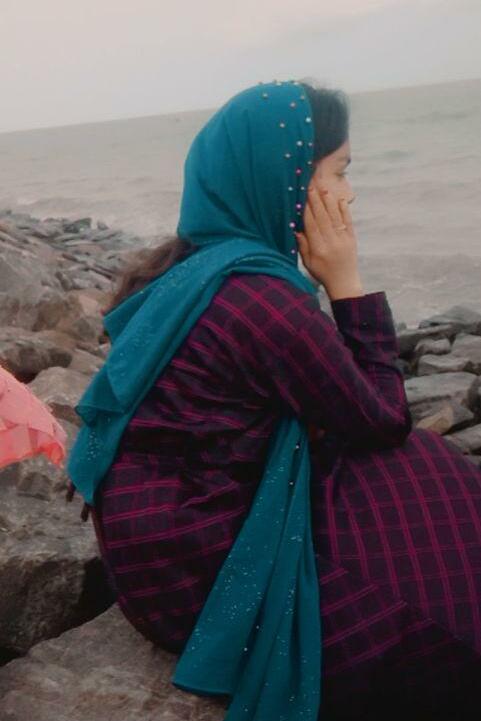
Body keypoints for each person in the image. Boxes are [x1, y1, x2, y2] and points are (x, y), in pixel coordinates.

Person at [66, 79, 481, 720]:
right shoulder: (261, 297)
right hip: (199, 579)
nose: (349, 193)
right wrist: (347, 284)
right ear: (286, 180)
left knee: (428, 471)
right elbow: (381, 421)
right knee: (432, 526)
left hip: (153, 547)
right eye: (339, 171)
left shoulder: (199, 264)